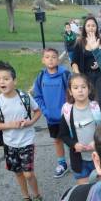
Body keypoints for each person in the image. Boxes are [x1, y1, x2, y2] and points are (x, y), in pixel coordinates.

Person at [0, 61, 45, 201]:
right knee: (18, 173)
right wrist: (10, 125)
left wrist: (31, 122)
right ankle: (26, 197)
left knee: (28, 173)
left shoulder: (24, 97)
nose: (2, 82)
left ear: (14, 81)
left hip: (26, 141)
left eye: (6, 78)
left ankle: (37, 195)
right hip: (10, 144)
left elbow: (38, 111)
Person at [33, 48, 70, 178]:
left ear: (58, 59)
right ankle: (62, 164)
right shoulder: (41, 76)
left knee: (71, 140)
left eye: (54, 57)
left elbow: (72, 92)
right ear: (43, 60)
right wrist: (45, 111)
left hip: (66, 116)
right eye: (47, 57)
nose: (50, 59)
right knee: (57, 140)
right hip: (51, 117)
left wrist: (69, 109)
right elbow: (37, 96)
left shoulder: (65, 74)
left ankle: (77, 161)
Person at [59, 74, 101, 185]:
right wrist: (74, 144)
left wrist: (97, 142)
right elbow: (63, 135)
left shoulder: (96, 108)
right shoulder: (67, 111)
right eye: (76, 88)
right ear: (70, 91)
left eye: (83, 87)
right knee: (84, 190)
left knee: (100, 188)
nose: (80, 90)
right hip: (79, 160)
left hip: (98, 157)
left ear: (89, 89)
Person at [71, 15, 101, 116]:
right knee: (88, 101)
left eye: (93, 25)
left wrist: (100, 62)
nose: (91, 28)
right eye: (88, 25)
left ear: (97, 27)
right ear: (84, 28)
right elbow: (74, 62)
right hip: (86, 76)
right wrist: (78, 75)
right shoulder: (79, 42)